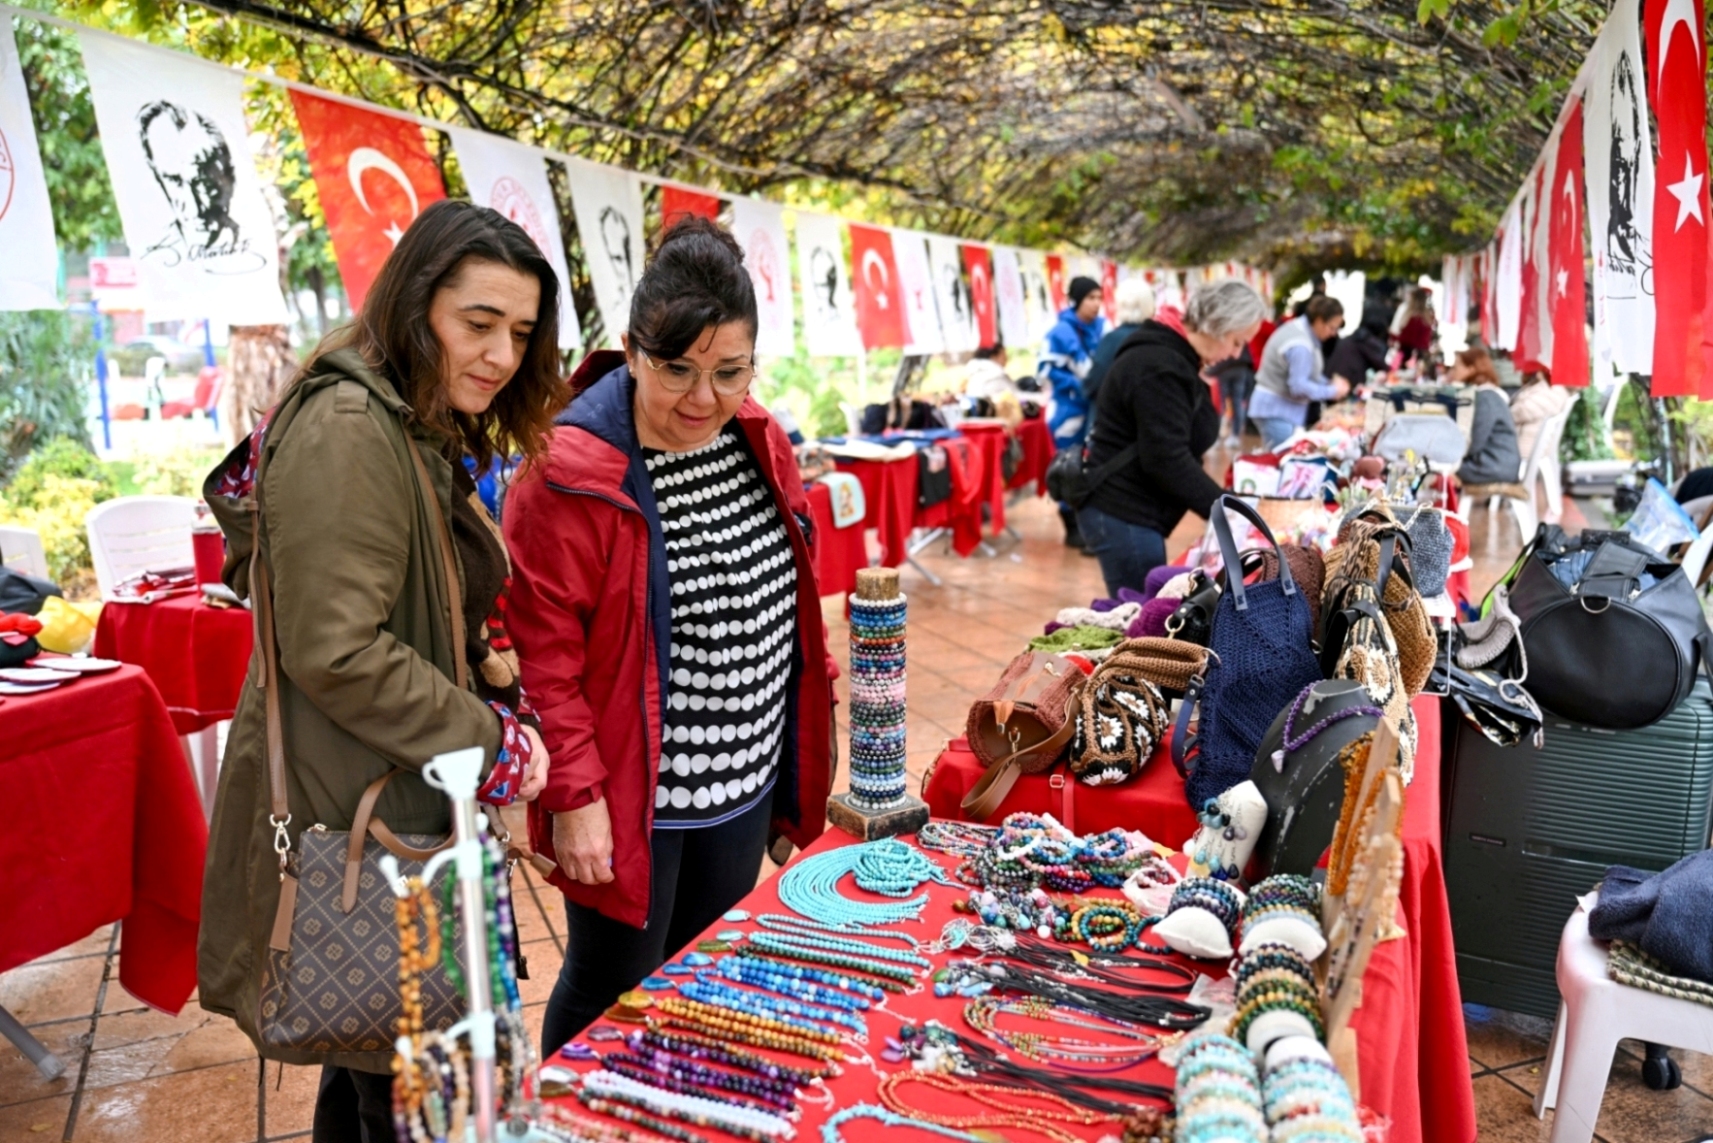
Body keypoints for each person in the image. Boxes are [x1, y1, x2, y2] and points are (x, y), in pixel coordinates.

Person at [196, 199, 560, 1143]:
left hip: (388, 802)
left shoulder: (402, 416)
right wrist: (491, 740)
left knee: (382, 1072)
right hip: (365, 816)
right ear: (412, 306)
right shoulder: (353, 424)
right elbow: (337, 647)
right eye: (476, 323)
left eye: (519, 333)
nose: (500, 354)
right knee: (417, 1089)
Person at [502, 217, 836, 1055]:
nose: (703, 399)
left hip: (743, 777)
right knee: (611, 984)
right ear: (632, 349)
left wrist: (801, 765)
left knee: (701, 971)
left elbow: (794, 601)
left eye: (730, 372)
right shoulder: (567, 470)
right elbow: (546, 662)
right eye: (675, 369)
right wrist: (573, 800)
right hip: (630, 797)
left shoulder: (757, 437)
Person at [1077, 279, 1268, 594]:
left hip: (1132, 507)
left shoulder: (1173, 354)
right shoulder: (1161, 365)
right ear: (1217, 325)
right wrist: (1227, 511)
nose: (1237, 353)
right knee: (1141, 613)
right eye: (1236, 341)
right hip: (1123, 509)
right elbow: (1166, 458)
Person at [1040, 275, 1106, 548]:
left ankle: (1088, 526)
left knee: (1091, 466)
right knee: (1069, 468)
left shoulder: (1103, 329)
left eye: (1099, 298)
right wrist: (1078, 385)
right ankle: (1072, 528)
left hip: (1097, 410)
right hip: (1068, 412)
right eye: (1090, 298)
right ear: (1077, 300)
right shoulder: (1059, 333)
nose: (1096, 304)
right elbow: (1044, 370)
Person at [1250, 295, 1350, 450]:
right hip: (1277, 413)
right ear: (1318, 320)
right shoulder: (1300, 344)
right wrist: (1332, 390)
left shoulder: (1301, 332)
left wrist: (1329, 383)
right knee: (1282, 459)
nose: (1333, 333)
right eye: (1331, 327)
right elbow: (1299, 386)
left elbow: (1307, 374)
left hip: (1277, 412)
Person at [1449, 346, 1522, 486]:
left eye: (1456, 368)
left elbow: (1475, 442)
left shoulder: (1485, 397)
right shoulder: (1489, 393)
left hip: (1493, 467)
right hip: (1499, 464)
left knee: (1436, 467)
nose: (1452, 372)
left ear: (1471, 369)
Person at [1083, 277, 1156, 408]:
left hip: (1115, 419)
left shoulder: (1112, 340)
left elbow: (1092, 383)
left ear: (1120, 305)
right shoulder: (1159, 337)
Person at [1326, 301, 1392, 387]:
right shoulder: (1366, 340)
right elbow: (1382, 366)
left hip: (1333, 381)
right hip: (1342, 386)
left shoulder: (1357, 336)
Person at [1510, 371, 1571, 462]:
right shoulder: (1545, 389)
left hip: (1526, 448)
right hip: (1526, 445)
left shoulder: (1553, 392)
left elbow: (1521, 412)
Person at [1207, 346, 1256, 448]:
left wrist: (1211, 371)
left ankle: (1216, 437)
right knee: (1237, 402)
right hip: (1241, 367)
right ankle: (1235, 435)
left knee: (1220, 403)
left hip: (1224, 368)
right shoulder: (1243, 337)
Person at [1395, 287, 1436, 364]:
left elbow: (1404, 338)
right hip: (1420, 356)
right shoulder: (1428, 317)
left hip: (1406, 355)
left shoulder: (1410, 317)